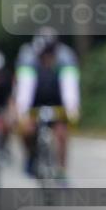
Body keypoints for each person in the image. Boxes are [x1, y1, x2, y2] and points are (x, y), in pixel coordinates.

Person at [15, 27, 80, 178]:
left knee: (62, 133)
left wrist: (72, 109)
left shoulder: (66, 58)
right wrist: (22, 113)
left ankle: (61, 170)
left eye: (50, 53)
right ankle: (31, 155)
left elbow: (69, 87)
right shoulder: (28, 58)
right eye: (43, 53)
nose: (47, 57)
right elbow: (25, 90)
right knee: (27, 129)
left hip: (57, 101)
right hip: (34, 101)